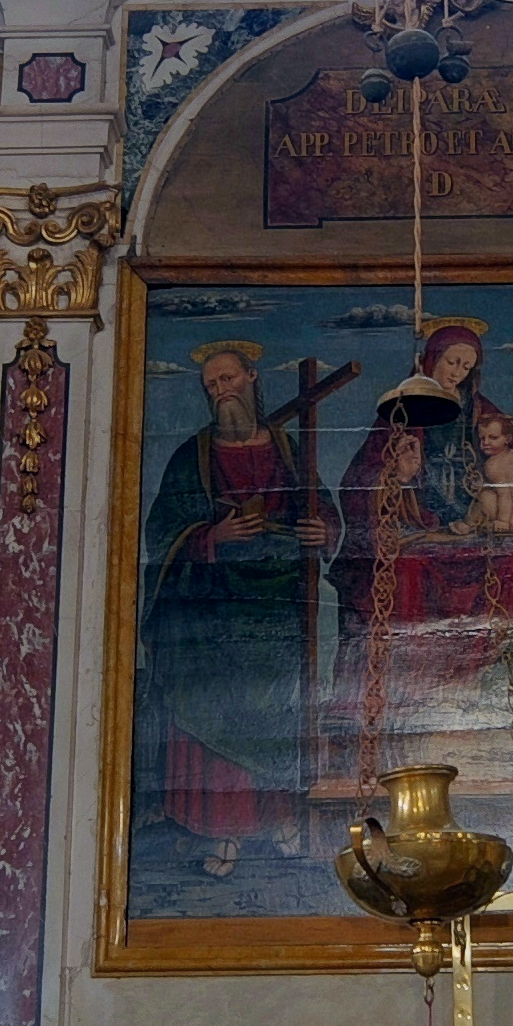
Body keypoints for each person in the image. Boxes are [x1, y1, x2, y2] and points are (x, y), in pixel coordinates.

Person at [330, 320, 513, 780]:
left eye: (466, 365)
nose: (457, 372)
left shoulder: (483, 412)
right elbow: (356, 484)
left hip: (483, 528)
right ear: (429, 360)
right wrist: (396, 477)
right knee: (404, 573)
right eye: (450, 361)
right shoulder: (401, 414)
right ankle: (414, 704)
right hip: (425, 532)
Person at [137, 344, 335, 876]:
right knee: (213, 706)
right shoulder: (191, 456)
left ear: (250, 377)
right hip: (212, 607)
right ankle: (224, 833)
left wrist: (324, 531)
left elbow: (323, 512)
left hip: (277, 604)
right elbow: (160, 535)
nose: (220, 389)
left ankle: (282, 820)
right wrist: (212, 534)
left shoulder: (291, 451)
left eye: (227, 378)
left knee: (280, 710)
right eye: (210, 385)